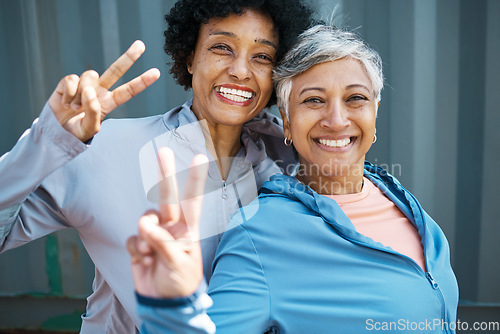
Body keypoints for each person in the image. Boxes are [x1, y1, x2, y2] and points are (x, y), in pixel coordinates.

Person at [0, 0, 314, 332]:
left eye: (262, 56)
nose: (240, 70)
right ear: (190, 57)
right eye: (222, 47)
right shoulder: (103, 150)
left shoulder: (284, 164)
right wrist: (46, 143)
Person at [129, 25, 459, 333]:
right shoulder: (258, 236)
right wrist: (170, 307)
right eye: (313, 100)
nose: (336, 119)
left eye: (355, 98)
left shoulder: (398, 199)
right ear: (286, 123)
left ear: (374, 112)